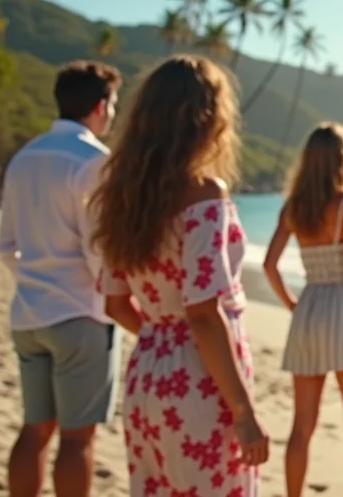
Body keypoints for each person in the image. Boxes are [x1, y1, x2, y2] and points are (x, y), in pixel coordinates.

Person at [91, 56, 269, 495]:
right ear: (206, 120)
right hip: (199, 381)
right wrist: (244, 414)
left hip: (148, 373)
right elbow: (204, 313)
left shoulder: (123, 199)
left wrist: (163, 333)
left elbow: (116, 302)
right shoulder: (204, 196)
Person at [0, 60, 122, 497]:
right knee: (77, 437)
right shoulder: (94, 161)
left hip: (29, 313)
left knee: (35, 429)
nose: (112, 115)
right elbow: (99, 249)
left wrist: (36, 279)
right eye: (111, 105)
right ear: (98, 105)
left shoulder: (24, 158)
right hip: (79, 313)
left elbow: (5, 246)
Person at [263, 122, 343, 497]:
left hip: (310, 307)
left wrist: (292, 304)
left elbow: (269, 264)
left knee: (302, 426)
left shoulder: (293, 208)